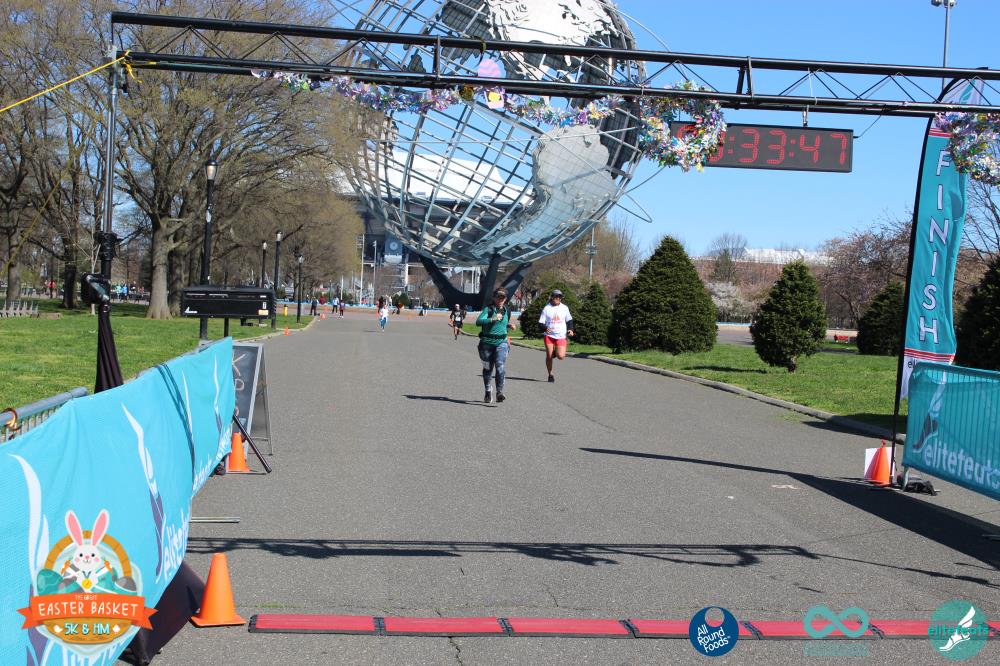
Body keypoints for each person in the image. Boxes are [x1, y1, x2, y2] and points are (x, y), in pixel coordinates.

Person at [476, 288, 516, 403]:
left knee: (500, 365)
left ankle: (499, 392)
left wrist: (509, 325)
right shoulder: (488, 309)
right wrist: (492, 319)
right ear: (494, 298)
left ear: (506, 299)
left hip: (501, 342)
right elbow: (478, 322)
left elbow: (502, 324)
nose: (500, 299)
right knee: (488, 369)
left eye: (503, 297)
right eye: (498, 297)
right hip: (486, 344)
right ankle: (488, 390)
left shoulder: (507, 310)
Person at [539, 289, 574, 382]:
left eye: (560, 297)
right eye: (556, 296)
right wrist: (545, 328)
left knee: (561, 356)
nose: (558, 298)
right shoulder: (547, 308)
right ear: (552, 297)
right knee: (549, 356)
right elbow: (540, 323)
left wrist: (570, 329)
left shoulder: (564, 308)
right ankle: (550, 374)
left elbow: (569, 320)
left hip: (561, 335)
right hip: (549, 336)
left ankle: (555, 352)